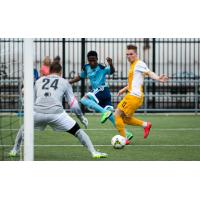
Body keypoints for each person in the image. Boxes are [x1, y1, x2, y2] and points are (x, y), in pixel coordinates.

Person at [9, 61, 107, 159]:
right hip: (57, 114)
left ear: (49, 71)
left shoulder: (39, 81)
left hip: (38, 113)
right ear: (61, 72)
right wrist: (81, 118)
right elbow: (74, 105)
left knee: (24, 128)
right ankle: (94, 152)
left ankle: (14, 150)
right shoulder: (64, 82)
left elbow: (32, 100)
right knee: (78, 131)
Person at [102, 44, 169, 144]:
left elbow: (149, 72)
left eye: (131, 54)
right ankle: (145, 125)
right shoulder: (133, 65)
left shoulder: (139, 64)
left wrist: (158, 78)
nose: (129, 56)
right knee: (124, 119)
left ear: (136, 54)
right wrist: (124, 89)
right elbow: (133, 82)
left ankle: (124, 139)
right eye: (127, 54)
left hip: (133, 96)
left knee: (117, 115)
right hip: (133, 96)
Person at [69, 50, 133, 141]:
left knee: (84, 99)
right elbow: (80, 77)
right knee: (112, 117)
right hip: (101, 93)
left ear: (97, 59)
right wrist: (69, 82)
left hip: (102, 89)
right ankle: (126, 133)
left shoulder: (102, 67)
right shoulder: (86, 68)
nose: (92, 62)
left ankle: (104, 112)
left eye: (94, 60)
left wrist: (111, 64)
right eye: (90, 60)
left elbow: (112, 71)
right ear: (88, 60)